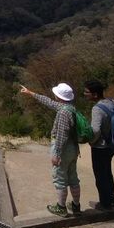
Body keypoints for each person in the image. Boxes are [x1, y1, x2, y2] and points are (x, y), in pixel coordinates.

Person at [19, 82, 81, 217]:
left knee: (60, 178)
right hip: (73, 148)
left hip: (63, 149)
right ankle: (76, 205)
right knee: (73, 177)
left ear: (59, 96)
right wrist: (31, 93)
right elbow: (49, 102)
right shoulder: (70, 108)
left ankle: (61, 207)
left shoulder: (63, 112)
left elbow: (62, 135)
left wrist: (57, 154)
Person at [84, 79, 114, 209]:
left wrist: (91, 141)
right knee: (107, 173)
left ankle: (105, 203)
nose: (85, 94)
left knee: (100, 175)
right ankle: (111, 199)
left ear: (95, 95)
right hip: (112, 144)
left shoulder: (97, 108)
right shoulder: (112, 102)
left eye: (87, 92)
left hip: (100, 147)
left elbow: (96, 130)